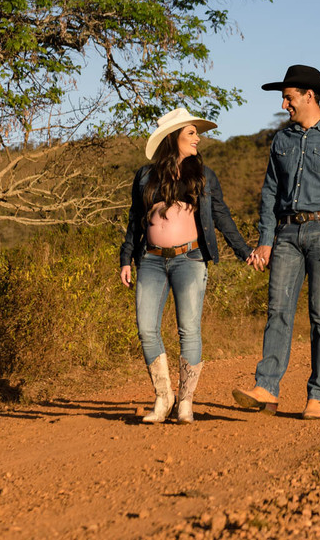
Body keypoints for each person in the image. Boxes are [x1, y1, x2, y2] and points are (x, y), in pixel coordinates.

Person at [233, 65, 320, 420]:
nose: (283, 103)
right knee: (278, 311)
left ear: (310, 96)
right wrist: (264, 240)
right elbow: (269, 194)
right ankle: (267, 389)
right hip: (286, 235)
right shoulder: (282, 140)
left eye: (288, 96)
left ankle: (317, 395)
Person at [120, 108, 253, 423]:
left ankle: (186, 402)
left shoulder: (204, 175)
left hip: (190, 258)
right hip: (150, 259)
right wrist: (126, 258)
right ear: (173, 137)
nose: (198, 138)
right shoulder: (144, 176)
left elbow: (221, 216)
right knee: (146, 329)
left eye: (196, 132)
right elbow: (134, 223)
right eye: (191, 132)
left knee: (189, 329)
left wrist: (243, 250)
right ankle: (163, 398)